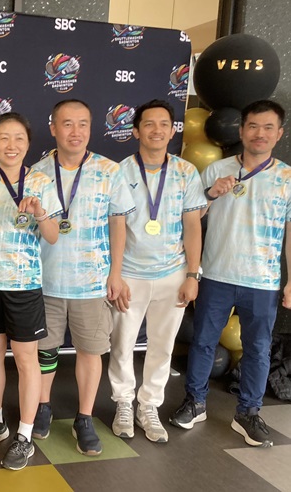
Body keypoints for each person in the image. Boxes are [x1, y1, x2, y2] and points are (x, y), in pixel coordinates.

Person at [170, 100, 291, 447]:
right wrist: (211, 193)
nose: (259, 134)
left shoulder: (286, 178)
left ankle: (248, 412)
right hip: (216, 275)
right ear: (241, 131)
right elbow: (191, 216)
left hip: (262, 280)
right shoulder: (216, 170)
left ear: (279, 134)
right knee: (203, 342)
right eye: (253, 126)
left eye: (268, 128)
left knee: (258, 349)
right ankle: (195, 402)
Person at [30, 99, 134, 455]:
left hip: (92, 281)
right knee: (45, 349)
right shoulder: (37, 172)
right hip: (45, 280)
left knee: (91, 351)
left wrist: (116, 273)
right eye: (67, 124)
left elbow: (118, 224)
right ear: (53, 128)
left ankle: (84, 418)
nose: (76, 132)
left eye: (83, 124)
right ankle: (42, 407)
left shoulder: (110, 171)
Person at [108, 100, 205, 443]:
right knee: (122, 343)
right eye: (149, 124)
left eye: (164, 124)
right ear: (136, 131)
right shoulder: (120, 172)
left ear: (173, 130)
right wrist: (115, 274)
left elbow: (192, 226)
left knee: (163, 345)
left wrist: (192, 274)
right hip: (129, 273)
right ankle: (123, 402)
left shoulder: (185, 172)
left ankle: (149, 406)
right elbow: (115, 225)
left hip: (172, 273)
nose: (157, 130)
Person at [0, 112, 61, 471]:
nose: (11, 145)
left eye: (19, 138)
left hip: (24, 284)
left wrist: (39, 213)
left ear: (28, 143)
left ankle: (24, 435)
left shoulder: (41, 181)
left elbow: (53, 236)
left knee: (26, 359)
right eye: (4, 138)